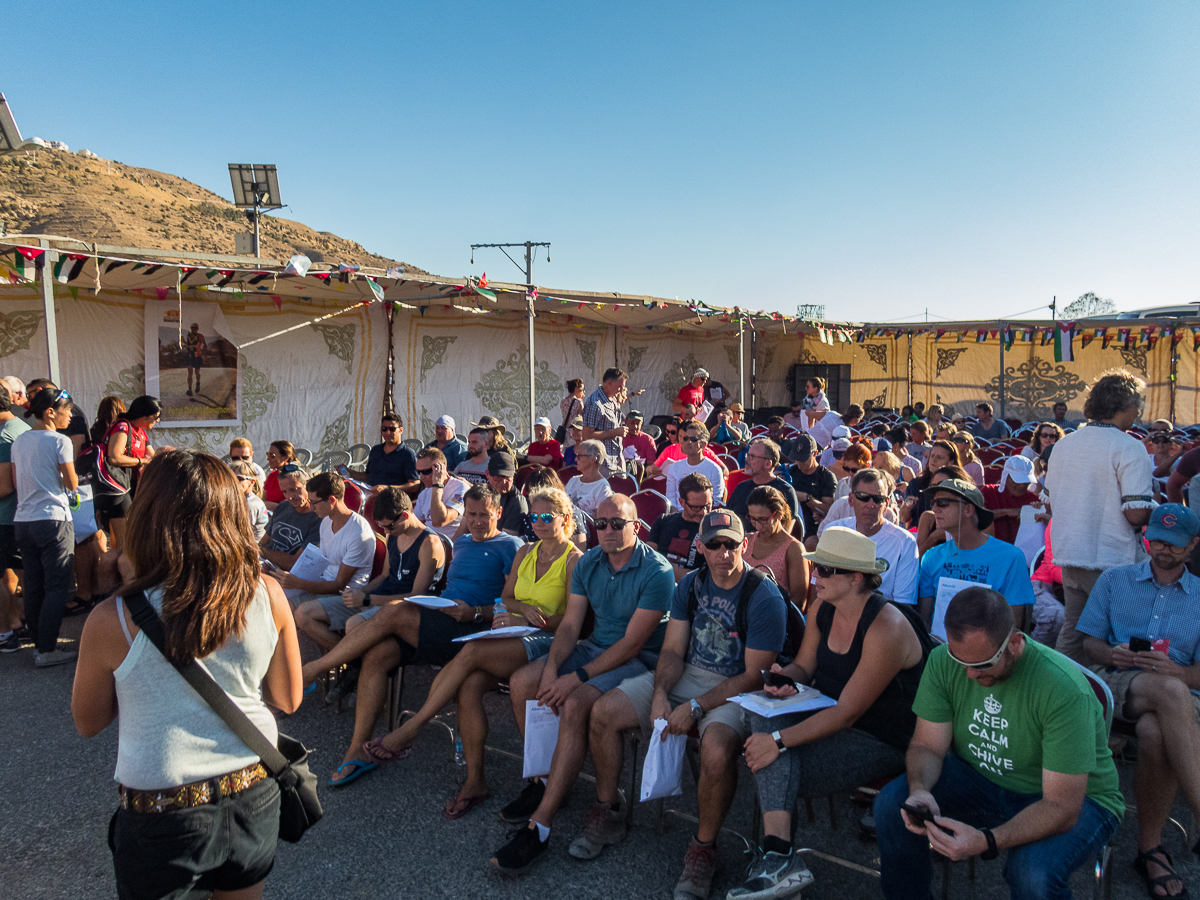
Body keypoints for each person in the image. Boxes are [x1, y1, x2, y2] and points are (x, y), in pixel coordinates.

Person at [71, 449, 302, 900]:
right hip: (253, 784)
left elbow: (88, 721)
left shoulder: (112, 618)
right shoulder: (268, 593)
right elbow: (288, 697)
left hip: (162, 804)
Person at [873, 586, 1123, 900]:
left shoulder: (1062, 688)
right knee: (893, 805)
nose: (969, 674)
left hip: (1075, 796)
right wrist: (921, 787)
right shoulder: (942, 661)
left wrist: (987, 840)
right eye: (958, 658)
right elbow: (927, 745)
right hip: (982, 778)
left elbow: (1061, 806)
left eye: (983, 663)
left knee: (1033, 874)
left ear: (1015, 643)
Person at [585, 511, 787, 898]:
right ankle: (608, 809)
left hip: (736, 689)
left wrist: (695, 706)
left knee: (715, 748)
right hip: (687, 675)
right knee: (604, 712)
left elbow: (752, 676)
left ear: (745, 545)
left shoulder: (762, 595)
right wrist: (660, 693)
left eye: (731, 544)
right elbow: (673, 649)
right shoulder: (691, 585)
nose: (723, 553)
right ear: (701, 547)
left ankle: (703, 848)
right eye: (714, 544)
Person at [344, 488, 581, 808]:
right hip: (512, 632)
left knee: (467, 651)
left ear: (565, 520)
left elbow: (570, 621)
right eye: (533, 517)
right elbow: (507, 597)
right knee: (467, 686)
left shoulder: (574, 560)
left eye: (546, 517)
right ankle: (475, 782)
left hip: (545, 640)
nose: (538, 522)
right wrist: (516, 611)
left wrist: (519, 616)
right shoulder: (526, 551)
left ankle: (411, 729)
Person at [731, 527, 927, 900]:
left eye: (824, 570)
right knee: (762, 719)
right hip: (828, 714)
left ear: (855, 578)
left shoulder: (886, 627)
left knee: (774, 760)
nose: (814, 576)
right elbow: (804, 667)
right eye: (816, 567)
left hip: (881, 738)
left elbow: (849, 714)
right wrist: (781, 679)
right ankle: (780, 859)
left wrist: (777, 742)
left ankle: (779, 860)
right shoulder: (823, 606)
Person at [489, 494, 673, 874]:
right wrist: (554, 667)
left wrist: (575, 678)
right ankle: (547, 779)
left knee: (574, 703)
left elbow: (631, 644)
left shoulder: (657, 571)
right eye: (600, 524)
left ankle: (541, 822)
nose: (606, 530)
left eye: (616, 523)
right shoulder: (590, 562)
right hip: (594, 648)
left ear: (635, 527)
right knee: (525, 681)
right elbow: (571, 625)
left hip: (638, 661)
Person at [300, 484, 522, 784]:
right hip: (442, 618)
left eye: (485, 514)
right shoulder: (465, 542)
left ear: (498, 512)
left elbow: (510, 600)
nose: (477, 520)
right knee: (377, 654)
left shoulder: (511, 545)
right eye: (471, 514)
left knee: (394, 610)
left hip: (473, 626)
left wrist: (476, 612)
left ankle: (315, 669)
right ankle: (356, 751)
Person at [1078, 504, 1200, 899]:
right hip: (1120, 682)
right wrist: (1114, 654)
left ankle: (1150, 849)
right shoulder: (1116, 580)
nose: (1163, 550)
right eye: (1157, 540)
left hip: (1179, 694)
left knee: (1154, 730)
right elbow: (1089, 643)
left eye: (1174, 544)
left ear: (1194, 545)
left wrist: (1179, 672)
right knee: (1168, 691)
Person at [1045, 369, 1153, 663]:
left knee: (1075, 632)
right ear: (1124, 405)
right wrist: (1156, 510)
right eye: (1138, 402)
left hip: (1070, 554)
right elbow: (1135, 514)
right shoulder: (1129, 446)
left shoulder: (1063, 445)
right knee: (1125, 635)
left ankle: (1060, 696)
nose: (1140, 410)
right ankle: (1122, 700)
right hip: (1112, 558)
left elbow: (1051, 504)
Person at [918, 478, 1035, 639]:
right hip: (939, 650)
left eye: (943, 502)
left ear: (968, 510)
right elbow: (925, 618)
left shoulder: (1010, 557)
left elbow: (1014, 624)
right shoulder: (931, 557)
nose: (934, 508)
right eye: (933, 502)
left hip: (990, 653)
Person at [11, 387, 78, 666]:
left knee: (34, 584)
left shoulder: (20, 441)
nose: (71, 416)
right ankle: (47, 649)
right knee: (57, 585)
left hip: (24, 520)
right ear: (50, 412)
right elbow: (72, 483)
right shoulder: (59, 441)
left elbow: (16, 482)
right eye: (68, 411)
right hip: (54, 519)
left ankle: (40, 644)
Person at [336, 487, 446, 634]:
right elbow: (384, 575)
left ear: (405, 515)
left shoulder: (429, 543)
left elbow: (417, 596)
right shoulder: (393, 534)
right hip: (379, 599)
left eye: (389, 526)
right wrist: (359, 592)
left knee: (354, 624)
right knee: (307, 612)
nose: (386, 531)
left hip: (403, 608)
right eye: (382, 527)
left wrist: (367, 599)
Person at [284, 472, 376, 647]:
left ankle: (348, 657)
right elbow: (324, 562)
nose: (311, 508)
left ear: (332, 500)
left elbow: (339, 585)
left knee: (304, 614)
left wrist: (299, 583)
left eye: (314, 502)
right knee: (282, 603)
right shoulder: (326, 521)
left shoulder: (358, 533)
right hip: (325, 586)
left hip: (349, 598)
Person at [821, 469, 919, 606]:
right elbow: (819, 590)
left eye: (878, 499)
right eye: (863, 496)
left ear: (886, 504)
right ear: (851, 499)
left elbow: (903, 605)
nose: (871, 504)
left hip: (882, 618)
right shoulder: (833, 532)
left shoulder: (905, 542)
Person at [93, 395, 161, 574]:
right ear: (143, 416)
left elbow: (153, 457)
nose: (158, 420)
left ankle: (115, 582)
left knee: (122, 542)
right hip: (117, 490)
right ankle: (117, 587)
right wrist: (141, 462)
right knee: (124, 545)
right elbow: (114, 457)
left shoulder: (140, 431)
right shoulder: (123, 427)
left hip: (130, 489)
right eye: (156, 416)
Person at [0, 381, 30, 652]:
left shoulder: (4, 435)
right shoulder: (22, 427)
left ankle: (4, 633)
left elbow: (4, 486)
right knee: (13, 572)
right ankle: (17, 622)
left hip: (5, 516)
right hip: (21, 514)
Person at [744, 485, 808, 600]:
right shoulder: (747, 541)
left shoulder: (794, 549)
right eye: (753, 519)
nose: (758, 526)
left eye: (763, 520)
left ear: (778, 514)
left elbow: (798, 602)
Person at [647, 473, 713, 580]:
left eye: (708, 506)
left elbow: (704, 577)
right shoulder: (663, 521)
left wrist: (663, 568)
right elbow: (649, 561)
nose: (703, 512)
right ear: (682, 502)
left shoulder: (713, 529)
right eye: (696, 507)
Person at [727, 438, 800, 530]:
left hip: (769, 543)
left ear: (767, 464)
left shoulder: (785, 490)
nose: (746, 460)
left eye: (751, 457)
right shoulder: (741, 487)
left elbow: (785, 534)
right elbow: (727, 519)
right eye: (747, 455)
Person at [454, 451, 527, 536]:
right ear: (487, 474)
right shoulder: (478, 494)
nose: (503, 482)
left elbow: (506, 541)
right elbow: (461, 531)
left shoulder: (517, 502)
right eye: (498, 477)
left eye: (507, 478)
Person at [785, 433, 836, 543]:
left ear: (815, 454)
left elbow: (829, 510)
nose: (799, 463)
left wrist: (807, 498)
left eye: (803, 459)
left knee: (811, 543)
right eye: (796, 459)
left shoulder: (826, 477)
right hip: (789, 521)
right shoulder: (791, 472)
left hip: (813, 525)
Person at [980, 455, 1041, 545]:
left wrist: (1036, 511)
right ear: (1006, 477)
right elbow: (977, 517)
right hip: (991, 547)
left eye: (1026, 481)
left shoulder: (1033, 500)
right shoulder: (988, 492)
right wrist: (1006, 512)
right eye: (1018, 481)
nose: (1022, 485)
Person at [665, 422, 725, 509]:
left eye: (693, 439)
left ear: (703, 445)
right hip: (678, 516)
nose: (688, 442)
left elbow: (715, 501)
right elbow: (670, 498)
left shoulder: (714, 469)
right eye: (685, 438)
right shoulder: (674, 467)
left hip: (702, 515)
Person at [414, 446, 469, 539]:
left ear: (441, 469)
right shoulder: (424, 493)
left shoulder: (461, 488)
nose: (421, 477)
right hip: (428, 543)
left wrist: (438, 485)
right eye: (419, 472)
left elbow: (439, 521)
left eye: (426, 471)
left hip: (450, 546)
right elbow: (414, 524)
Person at [26, 378, 90, 457]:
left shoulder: (67, 412)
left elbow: (75, 451)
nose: (28, 401)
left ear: (39, 391)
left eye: (29, 395)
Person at [583, 368, 630, 474]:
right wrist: (615, 432)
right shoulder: (594, 404)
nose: (621, 390)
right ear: (609, 383)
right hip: (602, 464)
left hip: (616, 461)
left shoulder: (612, 399)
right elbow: (587, 435)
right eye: (619, 387)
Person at [364, 413, 419, 495]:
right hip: (370, 496)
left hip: (393, 500)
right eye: (384, 429)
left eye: (392, 429)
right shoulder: (375, 450)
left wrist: (387, 489)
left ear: (401, 430)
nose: (388, 432)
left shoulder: (407, 454)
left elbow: (415, 485)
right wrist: (349, 472)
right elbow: (367, 476)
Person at [565, 439, 615, 515]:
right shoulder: (573, 480)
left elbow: (602, 517)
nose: (575, 459)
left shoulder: (603, 487)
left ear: (592, 460)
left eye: (579, 456)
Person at [231, 461, 269, 541]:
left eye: (239, 478)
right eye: (230, 477)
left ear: (251, 482)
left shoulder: (249, 504)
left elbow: (243, 535)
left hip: (253, 547)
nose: (233, 482)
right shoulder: (245, 499)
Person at [262, 439, 297, 510]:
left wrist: (275, 506)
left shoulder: (295, 477)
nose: (268, 458)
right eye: (268, 454)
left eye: (272, 455)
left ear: (285, 458)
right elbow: (263, 499)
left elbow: (297, 500)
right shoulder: (271, 476)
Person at [182, 322, 208, 397]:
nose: (193, 329)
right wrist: (183, 342)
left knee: (197, 372)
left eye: (195, 328)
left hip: (197, 355)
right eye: (192, 328)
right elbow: (189, 344)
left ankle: (198, 383)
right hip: (190, 354)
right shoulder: (188, 335)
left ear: (197, 329)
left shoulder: (200, 336)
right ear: (191, 328)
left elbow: (205, 344)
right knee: (190, 371)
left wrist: (204, 348)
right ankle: (189, 389)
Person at [560, 378, 586, 448]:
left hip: (565, 433)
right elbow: (582, 418)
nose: (583, 392)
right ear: (576, 389)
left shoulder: (563, 402)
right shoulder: (579, 402)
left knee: (568, 454)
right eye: (582, 390)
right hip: (575, 433)